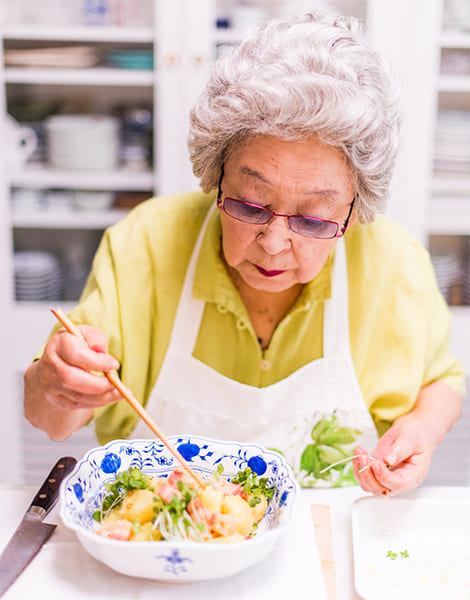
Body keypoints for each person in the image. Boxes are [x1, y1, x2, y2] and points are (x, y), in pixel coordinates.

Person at [24, 12, 464, 496]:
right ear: (215, 175)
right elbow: (54, 423)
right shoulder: (145, 244)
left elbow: (441, 379)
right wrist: (56, 385)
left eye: (314, 219)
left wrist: (421, 428)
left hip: (330, 547)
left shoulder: (394, 264)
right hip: (163, 546)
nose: (275, 243)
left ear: (356, 207)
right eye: (251, 205)